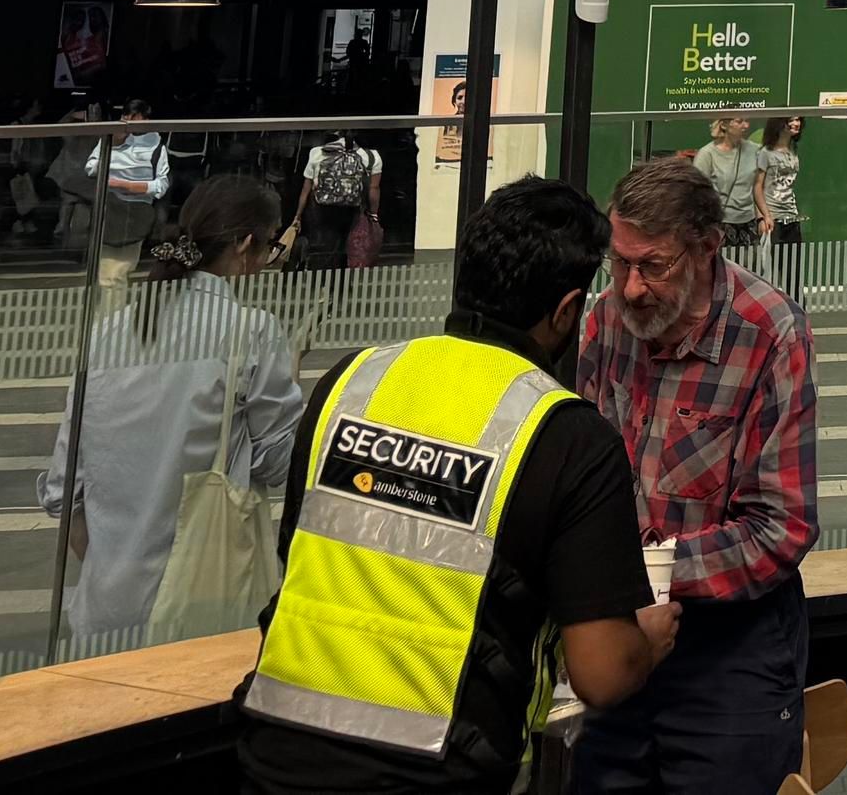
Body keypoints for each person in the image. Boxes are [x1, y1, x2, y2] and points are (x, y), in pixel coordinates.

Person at [242, 177, 673, 794]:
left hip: (276, 751)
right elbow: (601, 673)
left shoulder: (352, 380)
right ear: (566, 310)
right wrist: (647, 644)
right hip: (435, 768)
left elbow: (303, 552)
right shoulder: (569, 436)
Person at [573, 154, 820, 795]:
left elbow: (782, 527)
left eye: (652, 266)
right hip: (621, 632)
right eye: (619, 262)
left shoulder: (769, 332)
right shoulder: (606, 321)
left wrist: (651, 572)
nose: (629, 287)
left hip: (728, 647)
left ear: (707, 247)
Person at [43, 175, 302, 643]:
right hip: (202, 604)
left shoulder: (110, 330)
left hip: (104, 609)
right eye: (270, 247)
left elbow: (65, 487)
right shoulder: (252, 331)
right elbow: (276, 462)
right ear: (246, 245)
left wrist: (111, 559)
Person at [91, 103, 172, 284]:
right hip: (110, 207)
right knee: (105, 273)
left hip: (137, 211)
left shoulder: (156, 145)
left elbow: (161, 185)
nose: (128, 120)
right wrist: (114, 144)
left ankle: (113, 311)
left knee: (118, 273)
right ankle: (107, 311)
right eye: (126, 115)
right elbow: (91, 169)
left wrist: (129, 186)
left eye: (135, 116)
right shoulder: (111, 139)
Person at [289, 129, 380, 272]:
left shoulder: (317, 152)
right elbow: (373, 189)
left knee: (323, 243)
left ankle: (320, 280)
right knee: (346, 245)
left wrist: (298, 216)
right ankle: (340, 284)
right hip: (352, 208)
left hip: (320, 207)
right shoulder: (371, 156)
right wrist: (373, 214)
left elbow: (306, 188)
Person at [693, 115, 765, 251]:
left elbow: (757, 186)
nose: (746, 126)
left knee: (747, 268)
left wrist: (761, 217)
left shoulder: (756, 151)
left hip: (748, 223)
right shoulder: (707, 154)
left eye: (747, 121)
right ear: (724, 125)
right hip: (720, 223)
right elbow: (698, 193)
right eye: (739, 121)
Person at [753, 117, 806, 266]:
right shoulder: (765, 153)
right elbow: (757, 186)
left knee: (794, 269)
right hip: (773, 219)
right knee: (772, 268)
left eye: (798, 120)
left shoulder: (793, 152)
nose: (797, 124)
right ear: (781, 123)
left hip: (792, 217)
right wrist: (763, 217)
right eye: (792, 120)